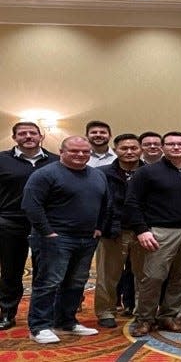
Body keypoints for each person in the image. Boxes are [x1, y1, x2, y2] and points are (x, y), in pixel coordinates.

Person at [125, 131, 181, 337]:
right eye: (171, 144)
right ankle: (145, 319)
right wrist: (141, 230)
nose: (176, 147)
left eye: (180, 144)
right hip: (159, 232)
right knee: (153, 277)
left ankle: (168, 316)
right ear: (163, 148)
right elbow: (132, 203)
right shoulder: (146, 173)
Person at [23, 136, 109, 343]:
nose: (80, 155)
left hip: (87, 239)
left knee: (76, 282)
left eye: (85, 151)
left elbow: (106, 204)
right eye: (74, 151)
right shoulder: (45, 174)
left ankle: (66, 321)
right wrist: (47, 232)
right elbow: (31, 205)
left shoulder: (97, 175)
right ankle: (39, 326)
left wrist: (99, 228)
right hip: (55, 238)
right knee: (49, 282)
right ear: (61, 152)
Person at [0, 122, 58, 330]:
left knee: (45, 271)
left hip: (46, 224)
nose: (28, 136)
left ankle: (42, 314)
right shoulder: (2, 159)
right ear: (14, 137)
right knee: (11, 270)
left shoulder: (55, 161)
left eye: (32, 133)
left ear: (40, 136)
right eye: (22, 133)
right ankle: (7, 312)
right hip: (10, 222)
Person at [94, 134, 143, 329]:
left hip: (143, 232)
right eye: (124, 148)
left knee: (145, 275)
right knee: (108, 275)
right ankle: (106, 311)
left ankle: (143, 311)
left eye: (133, 148)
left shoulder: (150, 172)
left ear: (140, 149)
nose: (129, 152)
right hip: (113, 231)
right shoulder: (102, 173)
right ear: (115, 150)